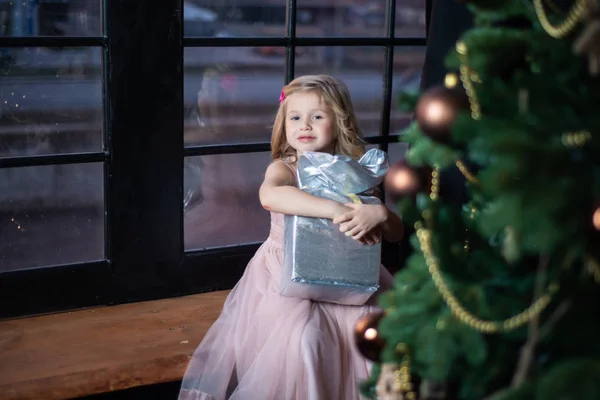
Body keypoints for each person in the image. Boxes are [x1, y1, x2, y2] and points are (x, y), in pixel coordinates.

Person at [178, 75, 404, 400]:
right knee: (306, 340)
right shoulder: (286, 168)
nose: (305, 125)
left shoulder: (355, 171)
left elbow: (395, 233)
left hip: (349, 276)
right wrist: (336, 209)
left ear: (339, 122)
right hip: (286, 279)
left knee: (377, 333)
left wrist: (381, 214)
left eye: (317, 116)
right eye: (295, 117)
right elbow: (270, 197)